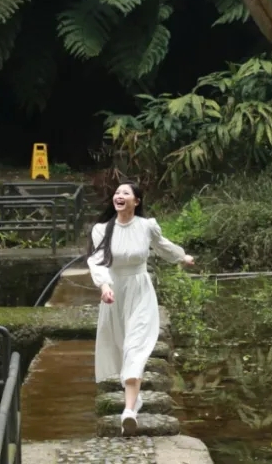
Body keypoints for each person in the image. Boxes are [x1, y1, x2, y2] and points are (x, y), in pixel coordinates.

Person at [86, 180, 195, 434]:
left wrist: (182, 257)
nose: (119, 195)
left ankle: (128, 411)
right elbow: (98, 261)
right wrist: (104, 287)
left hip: (140, 292)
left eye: (125, 193)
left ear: (136, 201)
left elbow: (163, 245)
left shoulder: (146, 226)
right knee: (120, 348)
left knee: (135, 348)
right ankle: (134, 405)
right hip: (114, 294)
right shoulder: (102, 230)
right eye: (117, 192)